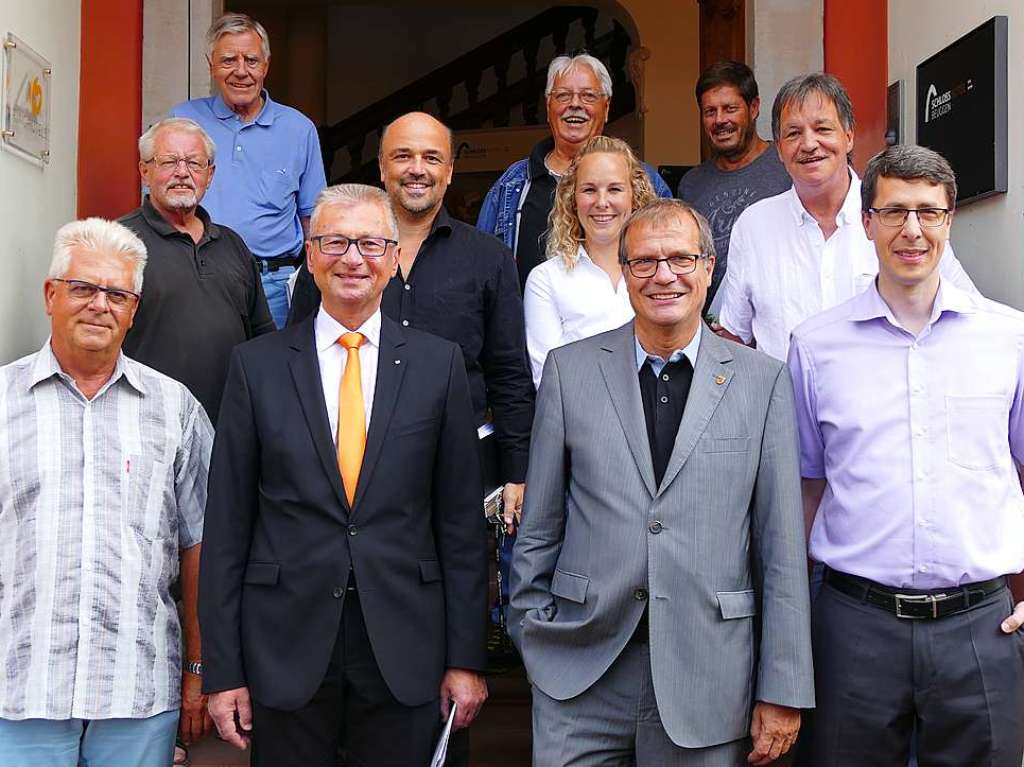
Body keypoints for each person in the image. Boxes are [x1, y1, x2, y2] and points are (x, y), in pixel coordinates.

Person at [511, 198, 814, 766]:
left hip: (709, 676)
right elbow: (540, 525)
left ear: (708, 267)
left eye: (680, 258)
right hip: (579, 671)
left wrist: (782, 686)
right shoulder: (569, 370)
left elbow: (780, 548)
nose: (664, 275)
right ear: (624, 273)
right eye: (645, 261)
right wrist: (533, 635)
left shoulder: (762, 381)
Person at [199, 184, 489, 767]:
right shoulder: (256, 367)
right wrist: (222, 670)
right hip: (284, 646)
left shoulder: (439, 364)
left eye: (369, 244)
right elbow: (228, 526)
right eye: (334, 242)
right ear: (310, 255)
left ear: (393, 259)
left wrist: (466, 659)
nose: (352, 258)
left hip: (407, 647)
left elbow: (460, 525)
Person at [788, 144, 1024, 767]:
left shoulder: (1010, 339)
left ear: (950, 221)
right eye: (893, 212)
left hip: (981, 625)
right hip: (853, 624)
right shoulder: (815, 346)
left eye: (928, 212)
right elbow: (807, 487)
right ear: (865, 223)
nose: (911, 231)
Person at [0, 219, 214, 766]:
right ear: (51, 295)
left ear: (133, 309)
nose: (100, 304)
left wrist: (197, 668)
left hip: (137, 692)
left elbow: (202, 546)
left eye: (117, 293)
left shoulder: (177, 410)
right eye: (83, 288)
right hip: (19, 689)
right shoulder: (3, 404)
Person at [717, 72, 975, 361]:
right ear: (779, 149)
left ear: (849, 136)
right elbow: (734, 336)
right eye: (793, 133)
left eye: (822, 129)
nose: (809, 144)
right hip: (784, 403)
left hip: (882, 400)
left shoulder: (897, 217)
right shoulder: (754, 226)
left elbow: (966, 312)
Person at [170, 12, 327, 328]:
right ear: (211, 64)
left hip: (276, 287)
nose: (241, 71)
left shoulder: (299, 129)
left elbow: (314, 217)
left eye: (251, 61)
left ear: (266, 65)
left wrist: (316, 282)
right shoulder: (183, 121)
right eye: (228, 60)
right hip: (199, 277)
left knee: (275, 374)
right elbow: (160, 203)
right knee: (206, 372)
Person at [120, 117, 275, 424]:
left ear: (210, 174)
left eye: (194, 163)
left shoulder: (233, 245)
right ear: (145, 171)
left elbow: (263, 338)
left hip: (230, 423)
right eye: (169, 161)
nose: (182, 173)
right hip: (147, 423)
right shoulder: (118, 242)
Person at [477, 53, 672, 290]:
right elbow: (481, 269)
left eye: (588, 96)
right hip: (528, 325)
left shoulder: (645, 180)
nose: (575, 104)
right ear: (549, 107)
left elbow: (669, 258)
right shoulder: (512, 183)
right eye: (563, 96)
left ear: (606, 107)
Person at [524, 134, 656, 386]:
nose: (602, 202)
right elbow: (549, 382)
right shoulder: (547, 279)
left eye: (615, 189)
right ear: (572, 199)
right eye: (589, 190)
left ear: (634, 196)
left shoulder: (660, 272)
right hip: (581, 422)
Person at [677, 61, 791, 313]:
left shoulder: (788, 166)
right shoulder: (692, 184)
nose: (720, 120)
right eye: (710, 112)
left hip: (775, 319)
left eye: (730, 109)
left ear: (754, 108)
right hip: (712, 326)